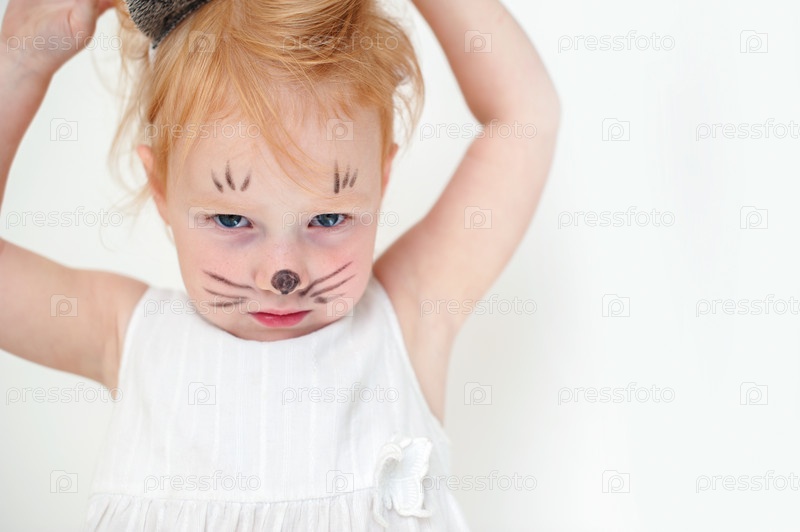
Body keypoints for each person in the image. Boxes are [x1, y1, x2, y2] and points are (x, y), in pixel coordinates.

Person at [0, 0, 560, 529]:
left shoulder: (406, 322)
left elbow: (526, 118)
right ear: (162, 189)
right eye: (231, 220)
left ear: (381, 180)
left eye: (329, 217)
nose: (282, 273)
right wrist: (21, 59)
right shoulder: (128, 335)